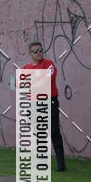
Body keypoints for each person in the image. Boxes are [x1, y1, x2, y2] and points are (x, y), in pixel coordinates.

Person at [23, 41, 66, 171]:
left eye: (40, 50)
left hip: (50, 101)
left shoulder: (49, 64)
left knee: (54, 131)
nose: (39, 53)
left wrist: (31, 81)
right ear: (30, 54)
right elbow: (20, 84)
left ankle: (60, 163)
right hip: (34, 103)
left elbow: (47, 79)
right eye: (35, 51)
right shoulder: (26, 68)